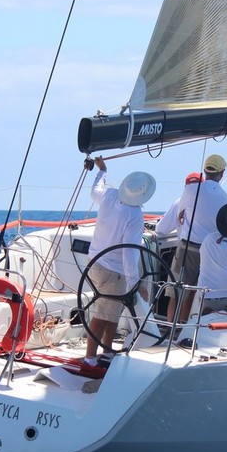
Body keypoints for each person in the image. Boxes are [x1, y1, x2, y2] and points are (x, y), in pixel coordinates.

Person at [82, 156, 156, 366]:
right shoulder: (134, 214)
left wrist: (102, 170)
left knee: (112, 310)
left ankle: (106, 352)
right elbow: (129, 253)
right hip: (113, 269)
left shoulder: (109, 195)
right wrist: (136, 283)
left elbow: (95, 190)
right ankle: (89, 358)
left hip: (95, 263)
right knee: (103, 313)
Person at [164, 154, 227, 324]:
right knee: (193, 293)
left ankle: (170, 328)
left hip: (188, 248)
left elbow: (179, 215)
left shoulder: (191, 190)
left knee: (176, 292)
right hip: (209, 251)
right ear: (222, 173)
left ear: (205, 171)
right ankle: (183, 327)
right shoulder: (225, 198)